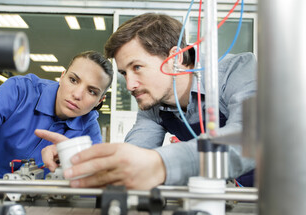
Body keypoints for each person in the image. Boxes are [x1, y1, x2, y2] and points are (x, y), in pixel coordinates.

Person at [36, 13, 257, 190]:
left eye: (137, 67)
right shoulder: (153, 104)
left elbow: (249, 139)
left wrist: (161, 164)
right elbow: (135, 154)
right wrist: (78, 159)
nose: (130, 84)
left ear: (176, 57)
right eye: (124, 73)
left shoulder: (237, 72)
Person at [0, 51, 113, 178]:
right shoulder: (19, 91)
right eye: (73, 80)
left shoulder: (88, 131)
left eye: (92, 91)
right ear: (62, 76)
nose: (77, 94)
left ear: (100, 101)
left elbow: (94, 184)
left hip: (30, 202)